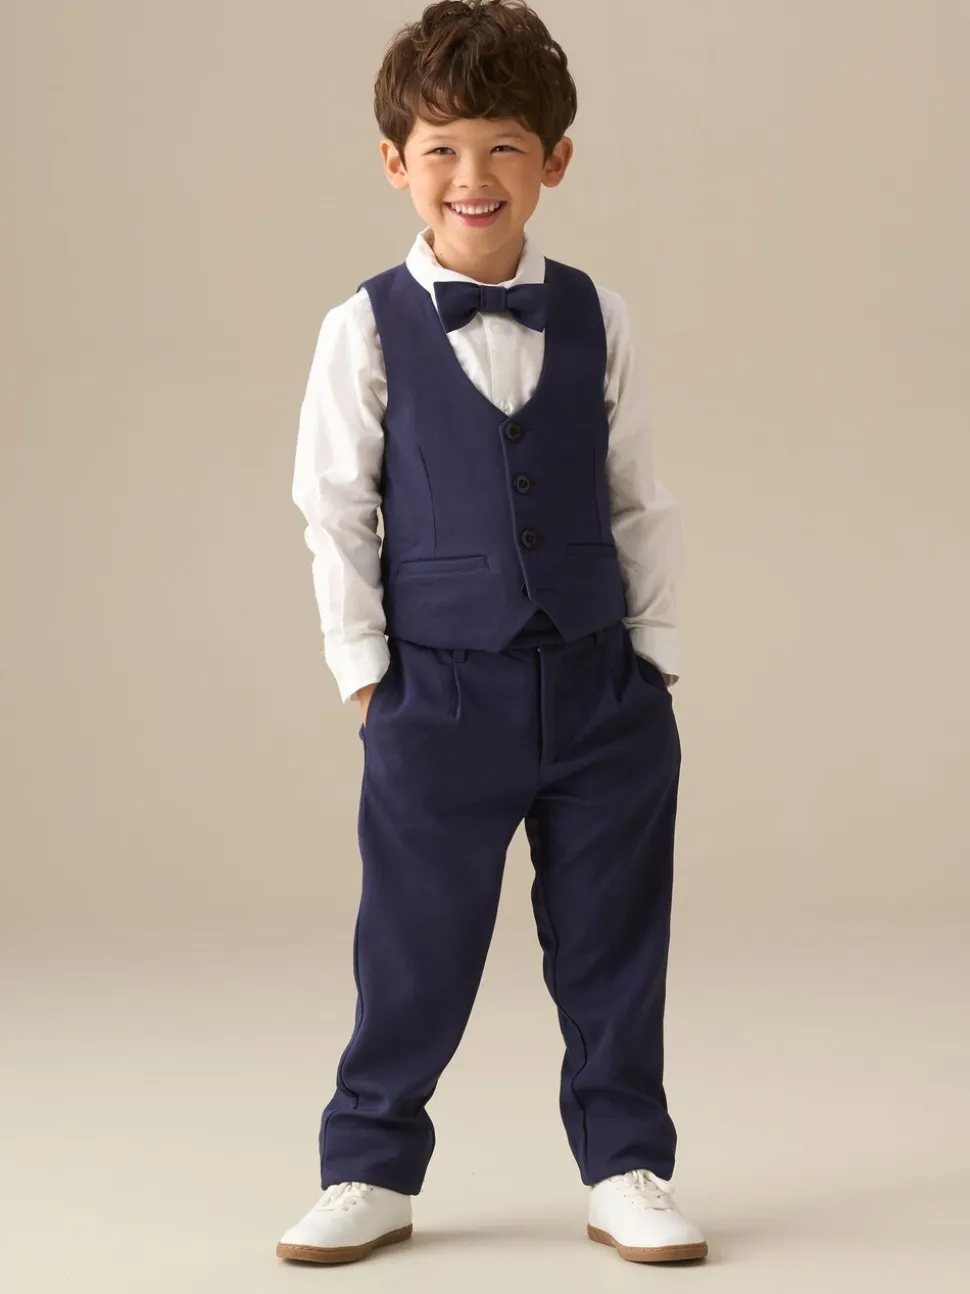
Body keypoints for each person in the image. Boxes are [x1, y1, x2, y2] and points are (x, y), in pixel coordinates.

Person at [279, 0, 706, 1266]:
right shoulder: (362, 327)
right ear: (395, 162)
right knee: (413, 941)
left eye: (505, 147)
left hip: (599, 685)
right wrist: (368, 680)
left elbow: (638, 494)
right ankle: (368, 1166)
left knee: (615, 938)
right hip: (439, 693)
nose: (474, 176)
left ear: (553, 160)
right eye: (443, 150)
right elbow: (333, 510)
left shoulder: (598, 314)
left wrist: (653, 658)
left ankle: (625, 1164)